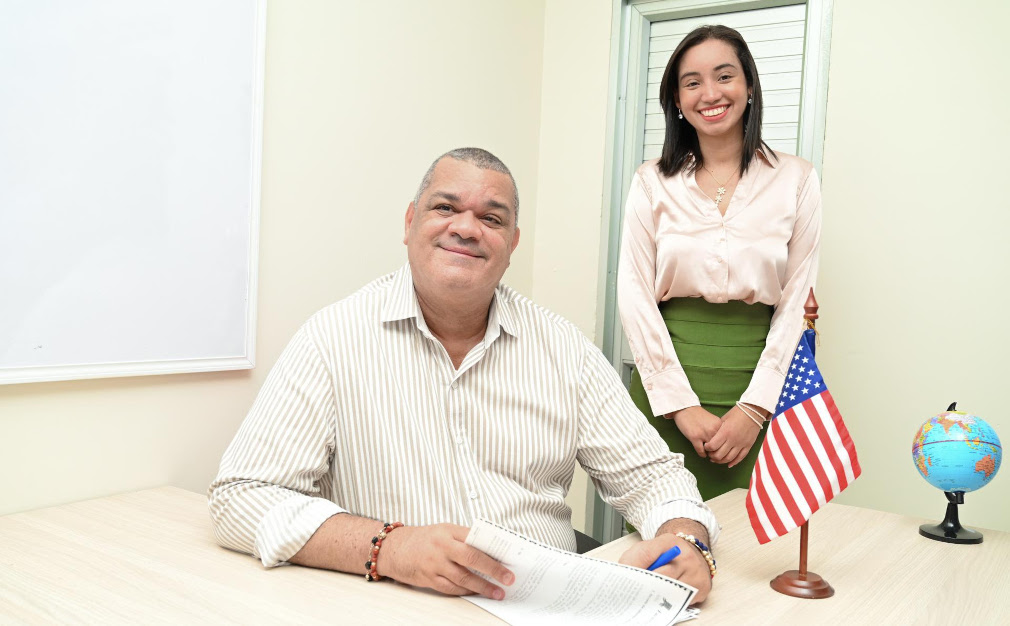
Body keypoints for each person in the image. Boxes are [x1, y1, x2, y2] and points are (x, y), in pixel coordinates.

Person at [209, 147, 719, 603]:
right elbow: (240, 496)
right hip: (395, 605)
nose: (467, 228)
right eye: (445, 208)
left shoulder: (564, 349)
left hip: (544, 606)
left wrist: (686, 539)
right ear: (410, 222)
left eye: (491, 218)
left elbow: (652, 476)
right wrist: (390, 547)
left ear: (512, 244)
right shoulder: (331, 339)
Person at [618, 25, 822, 501]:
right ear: (677, 99)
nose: (710, 94)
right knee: (663, 529)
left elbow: (799, 301)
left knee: (758, 534)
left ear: (749, 86)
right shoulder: (651, 181)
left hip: (764, 383)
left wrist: (756, 408)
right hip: (667, 383)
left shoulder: (797, 179)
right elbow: (633, 294)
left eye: (724, 76)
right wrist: (679, 406)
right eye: (692, 82)